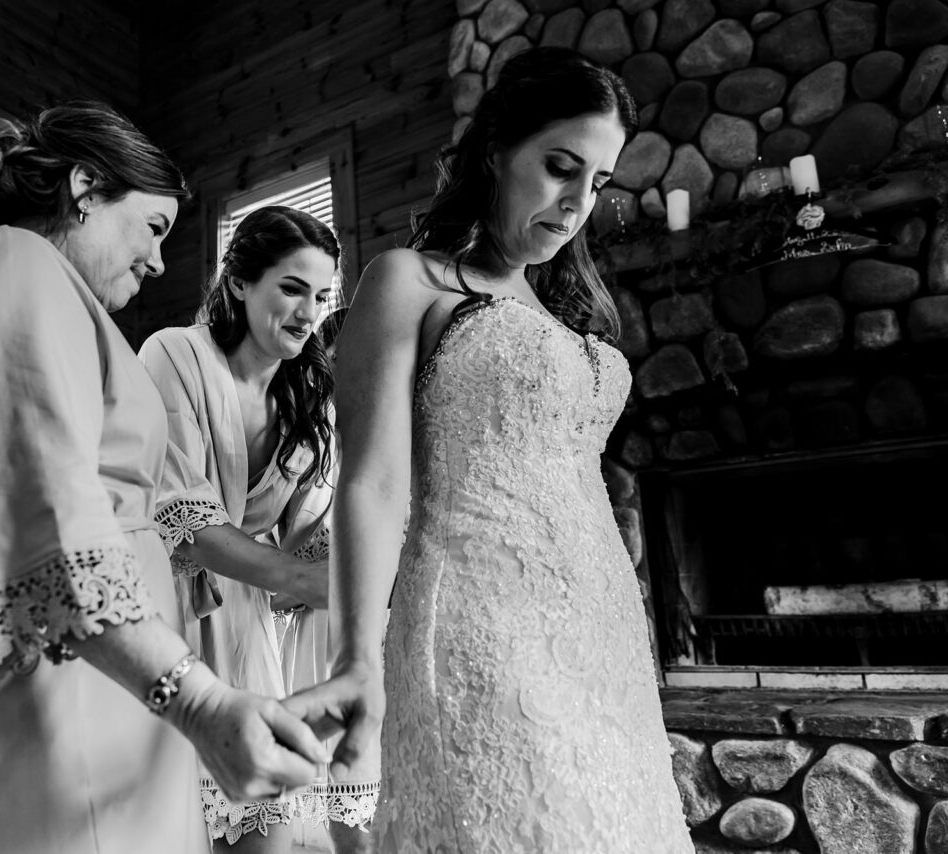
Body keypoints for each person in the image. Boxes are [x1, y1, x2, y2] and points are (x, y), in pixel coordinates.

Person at [0, 103, 328, 854]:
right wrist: (199, 701)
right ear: (84, 187)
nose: (160, 263)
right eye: (155, 228)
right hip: (23, 713)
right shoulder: (11, 263)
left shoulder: (55, 298)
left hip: (88, 695)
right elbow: (44, 501)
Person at [286, 47, 695, 852]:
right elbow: (371, 484)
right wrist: (356, 659)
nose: (578, 202)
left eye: (599, 182)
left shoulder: (563, 313)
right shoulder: (409, 281)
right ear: (497, 150)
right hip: (479, 622)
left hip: (601, 634)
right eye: (559, 167)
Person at [141, 206, 379, 854]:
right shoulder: (174, 355)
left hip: (244, 623)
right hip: (162, 610)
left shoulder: (306, 404)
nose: (309, 312)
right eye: (293, 289)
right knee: (164, 819)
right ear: (241, 282)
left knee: (262, 829)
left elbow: (312, 529)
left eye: (322, 295)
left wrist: (366, 569)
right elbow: (182, 520)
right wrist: (304, 576)